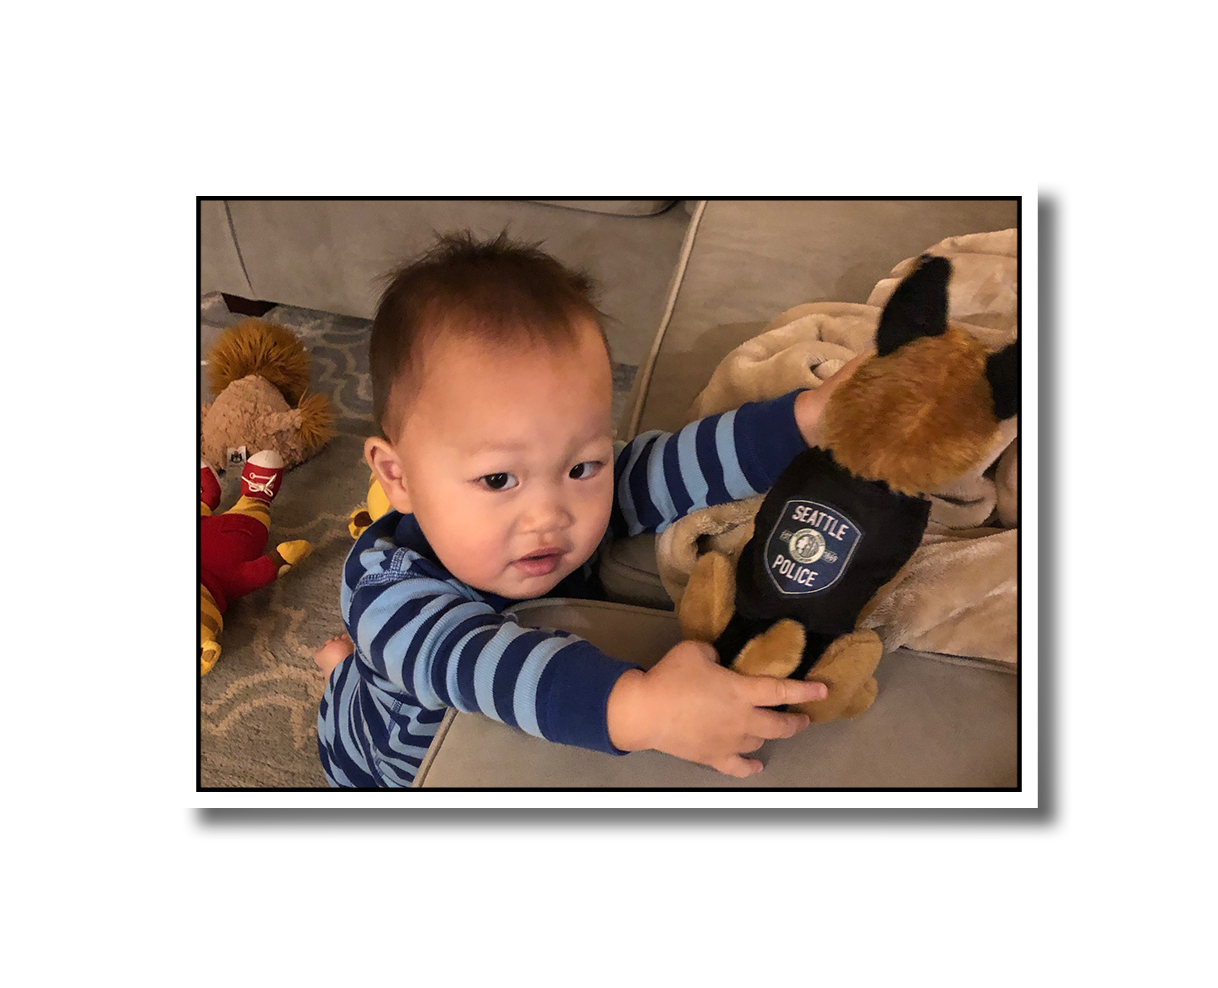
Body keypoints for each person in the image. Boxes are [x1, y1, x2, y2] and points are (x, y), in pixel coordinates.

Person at [315, 231, 864, 787]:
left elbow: (679, 464)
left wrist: (807, 421)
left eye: (582, 466)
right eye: (499, 478)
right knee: (367, 686)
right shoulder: (390, 603)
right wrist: (643, 710)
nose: (551, 514)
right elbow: (502, 670)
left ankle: (350, 670)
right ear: (398, 477)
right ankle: (347, 679)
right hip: (385, 770)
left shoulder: (577, 494)